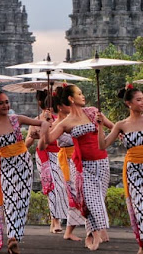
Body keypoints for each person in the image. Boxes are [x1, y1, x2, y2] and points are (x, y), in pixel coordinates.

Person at [42, 84, 114, 251]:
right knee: (89, 200)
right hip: (82, 165)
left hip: (102, 161)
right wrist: (45, 124)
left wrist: (101, 125)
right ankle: (96, 233)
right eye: (79, 94)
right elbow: (47, 141)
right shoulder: (65, 122)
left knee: (99, 198)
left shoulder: (92, 111)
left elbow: (114, 128)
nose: (83, 96)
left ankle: (90, 232)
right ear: (71, 98)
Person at [0, 88, 49, 254]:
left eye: (7, 102)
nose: (5, 105)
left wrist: (43, 138)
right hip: (6, 167)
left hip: (23, 163)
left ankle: (14, 238)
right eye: (1, 103)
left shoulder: (16, 119)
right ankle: (12, 237)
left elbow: (44, 123)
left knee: (22, 200)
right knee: (10, 200)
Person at [97, 84, 143, 254]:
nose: (142, 102)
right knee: (139, 206)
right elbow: (103, 145)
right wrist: (100, 126)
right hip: (134, 171)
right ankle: (141, 244)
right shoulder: (121, 125)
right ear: (128, 103)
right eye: (139, 100)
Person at [25, 90, 67, 234]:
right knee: (53, 187)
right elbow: (26, 144)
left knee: (62, 186)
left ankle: (56, 219)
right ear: (40, 104)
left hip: (60, 154)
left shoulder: (59, 119)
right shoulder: (35, 120)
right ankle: (55, 220)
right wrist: (34, 135)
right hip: (44, 155)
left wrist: (50, 124)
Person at [51, 91, 85, 242]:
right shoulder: (57, 124)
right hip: (67, 159)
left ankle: (97, 229)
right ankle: (68, 229)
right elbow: (53, 140)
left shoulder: (77, 118)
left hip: (81, 157)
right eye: (66, 104)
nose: (69, 106)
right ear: (59, 107)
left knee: (84, 192)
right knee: (74, 193)